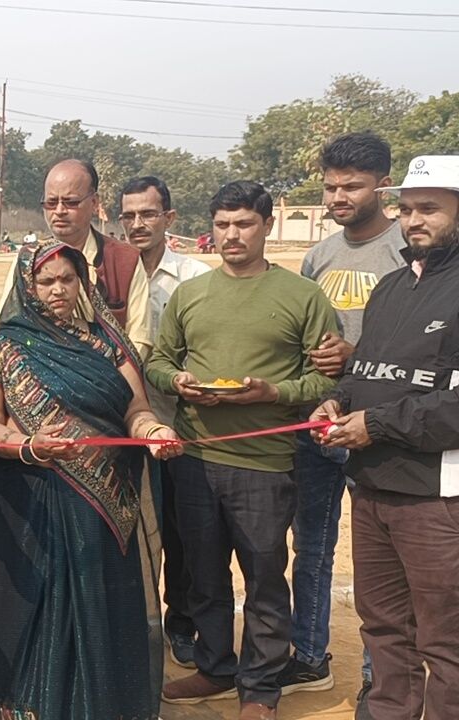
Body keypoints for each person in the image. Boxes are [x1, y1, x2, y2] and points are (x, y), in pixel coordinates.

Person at [0, 239, 178, 720]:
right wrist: (29, 445)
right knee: (37, 604)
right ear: (27, 286)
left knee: (104, 602)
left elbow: (136, 410)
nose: (58, 289)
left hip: (105, 505)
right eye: (46, 281)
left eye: (67, 278)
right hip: (32, 503)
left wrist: (153, 432)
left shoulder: (108, 344)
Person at [149, 181, 339, 720]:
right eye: (223, 224)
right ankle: (215, 667)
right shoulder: (191, 294)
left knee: (264, 578)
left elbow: (324, 380)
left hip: (265, 462)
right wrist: (177, 382)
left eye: (244, 224)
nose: (232, 235)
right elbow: (158, 362)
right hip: (195, 458)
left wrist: (272, 392)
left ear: (267, 226)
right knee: (202, 575)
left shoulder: (302, 296)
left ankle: (259, 687)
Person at [312, 154, 459, 719]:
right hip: (372, 489)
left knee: (445, 641)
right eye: (407, 208)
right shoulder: (393, 285)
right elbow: (366, 371)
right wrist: (339, 402)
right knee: (383, 629)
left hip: (435, 497)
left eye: (430, 209)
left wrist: (374, 424)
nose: (413, 220)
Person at [289, 132, 404, 701]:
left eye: (352, 186)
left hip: (383, 428)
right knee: (311, 545)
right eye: (331, 187)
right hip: (321, 420)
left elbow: (420, 351)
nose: (338, 197)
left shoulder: (409, 248)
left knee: (383, 558)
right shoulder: (319, 255)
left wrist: (357, 357)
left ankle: (378, 677)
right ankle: (309, 656)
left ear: (384, 185)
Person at [118, 175, 211, 668]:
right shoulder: (107, 271)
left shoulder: (195, 278)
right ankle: (131, 619)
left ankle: (180, 622)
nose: (137, 224)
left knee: (180, 531)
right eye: (128, 215)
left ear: (169, 218)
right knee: (126, 529)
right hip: (119, 425)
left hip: (180, 424)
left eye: (148, 214)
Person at [0, 159, 152, 357]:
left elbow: (139, 340)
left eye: (70, 202)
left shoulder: (125, 260)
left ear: (94, 203)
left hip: (112, 372)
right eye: (51, 203)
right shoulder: (27, 260)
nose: (59, 211)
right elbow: (9, 328)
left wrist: (103, 371)